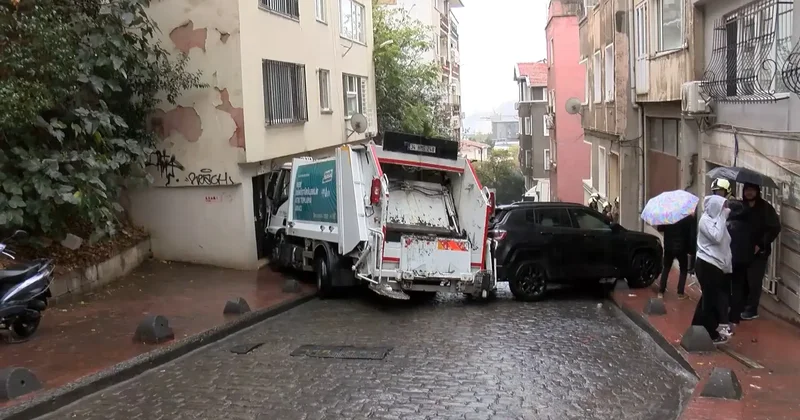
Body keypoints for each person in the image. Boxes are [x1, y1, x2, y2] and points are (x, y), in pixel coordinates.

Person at [691, 195, 732, 345]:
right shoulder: (705, 221)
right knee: (710, 300)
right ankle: (709, 333)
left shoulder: (717, 221)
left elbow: (725, 245)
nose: (725, 210)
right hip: (707, 265)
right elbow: (717, 237)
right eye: (722, 207)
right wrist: (722, 217)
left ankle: (697, 328)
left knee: (708, 299)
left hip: (717, 266)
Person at [740, 182, 781, 320]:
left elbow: (775, 228)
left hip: (759, 252)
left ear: (757, 191)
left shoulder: (765, 208)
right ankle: (743, 305)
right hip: (742, 250)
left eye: (752, 190)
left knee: (754, 281)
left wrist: (760, 244)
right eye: (747, 190)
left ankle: (752, 309)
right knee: (743, 280)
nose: (749, 193)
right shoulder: (741, 207)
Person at [656, 212, 697, 299]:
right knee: (683, 269)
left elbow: (660, 228)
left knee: (666, 268)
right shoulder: (687, 218)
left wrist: (663, 219)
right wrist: (692, 250)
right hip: (682, 248)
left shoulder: (669, 216)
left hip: (669, 247)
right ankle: (680, 293)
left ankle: (661, 291)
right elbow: (692, 235)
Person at [727, 199, 753, 332]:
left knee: (726, 288)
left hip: (729, 261)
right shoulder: (747, 225)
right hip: (743, 261)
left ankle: (725, 316)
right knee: (738, 289)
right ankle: (735, 318)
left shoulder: (728, 225)